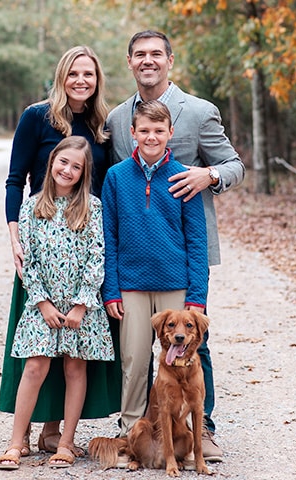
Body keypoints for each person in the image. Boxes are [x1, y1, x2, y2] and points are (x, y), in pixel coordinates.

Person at [107, 30, 246, 462]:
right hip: (133, 263)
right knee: (133, 354)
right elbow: (115, 192)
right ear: (130, 61)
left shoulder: (200, 111)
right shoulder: (115, 118)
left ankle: (202, 429)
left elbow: (234, 165)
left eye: (156, 54)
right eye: (140, 55)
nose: (148, 61)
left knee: (191, 343)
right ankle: (137, 432)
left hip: (180, 257)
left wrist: (209, 176)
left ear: (169, 59)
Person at [0, 45, 121, 463]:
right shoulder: (37, 117)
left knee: (74, 357)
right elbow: (16, 179)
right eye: (73, 73)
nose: (81, 81)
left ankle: (58, 435)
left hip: (86, 235)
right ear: (61, 75)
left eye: (89, 74)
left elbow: (113, 180)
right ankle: (22, 436)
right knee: (38, 348)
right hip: (41, 242)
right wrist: (15, 234)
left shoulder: (104, 124)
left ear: (97, 79)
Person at [102, 100, 209, 437]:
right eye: (144, 131)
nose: (151, 137)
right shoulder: (116, 177)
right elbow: (109, 236)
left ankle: (182, 434)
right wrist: (111, 290)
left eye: (158, 131)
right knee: (133, 361)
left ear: (170, 133)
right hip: (130, 285)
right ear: (132, 133)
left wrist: (196, 296)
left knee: (182, 360)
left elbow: (196, 241)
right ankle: (132, 430)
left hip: (174, 284)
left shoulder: (184, 176)